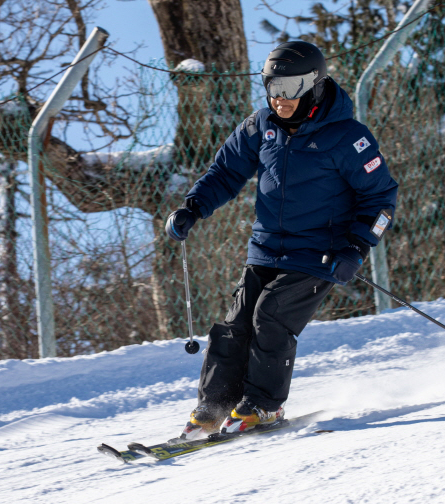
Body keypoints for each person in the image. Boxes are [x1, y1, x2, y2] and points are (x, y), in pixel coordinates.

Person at [164, 40, 398, 439]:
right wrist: (193, 206)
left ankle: (264, 406)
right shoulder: (261, 126)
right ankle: (213, 406)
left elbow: (381, 199)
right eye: (272, 87)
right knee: (235, 324)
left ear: (313, 84)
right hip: (267, 247)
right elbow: (225, 172)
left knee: (269, 316)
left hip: (319, 254)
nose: (279, 99)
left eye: (289, 89)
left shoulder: (347, 137)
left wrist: (357, 247)